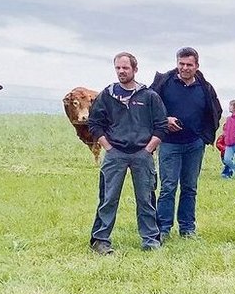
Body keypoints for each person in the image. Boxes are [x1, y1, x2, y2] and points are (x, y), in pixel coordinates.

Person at [86, 52, 168, 254]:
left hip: (142, 154)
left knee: (146, 198)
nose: (121, 72)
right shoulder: (107, 95)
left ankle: (150, 240)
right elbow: (95, 123)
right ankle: (100, 240)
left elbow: (161, 125)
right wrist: (108, 147)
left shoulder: (149, 96)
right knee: (108, 198)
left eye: (126, 68)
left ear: (135, 69)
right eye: (118, 68)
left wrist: (148, 149)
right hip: (115, 154)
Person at [150, 47, 223, 238]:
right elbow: (149, 107)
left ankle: (187, 228)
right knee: (168, 187)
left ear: (197, 65)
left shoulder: (205, 87)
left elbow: (216, 111)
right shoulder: (164, 84)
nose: (184, 68)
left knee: (190, 188)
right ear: (177, 63)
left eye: (189, 64)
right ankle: (163, 228)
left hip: (194, 145)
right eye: (181, 64)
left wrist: (203, 137)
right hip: (169, 143)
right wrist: (164, 120)